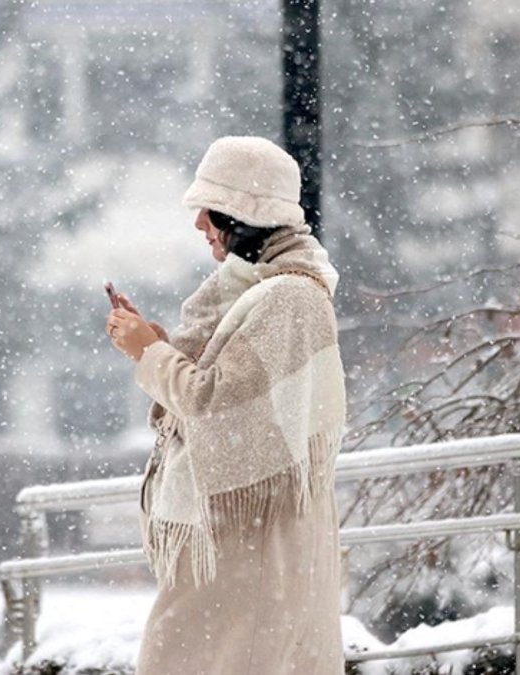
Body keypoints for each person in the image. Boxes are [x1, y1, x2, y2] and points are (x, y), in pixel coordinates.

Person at [105, 136, 347, 674]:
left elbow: (214, 404)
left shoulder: (287, 297)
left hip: (251, 551)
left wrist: (149, 352)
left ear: (243, 215)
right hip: (242, 547)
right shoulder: (262, 290)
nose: (199, 225)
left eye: (209, 210)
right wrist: (158, 347)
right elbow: (226, 391)